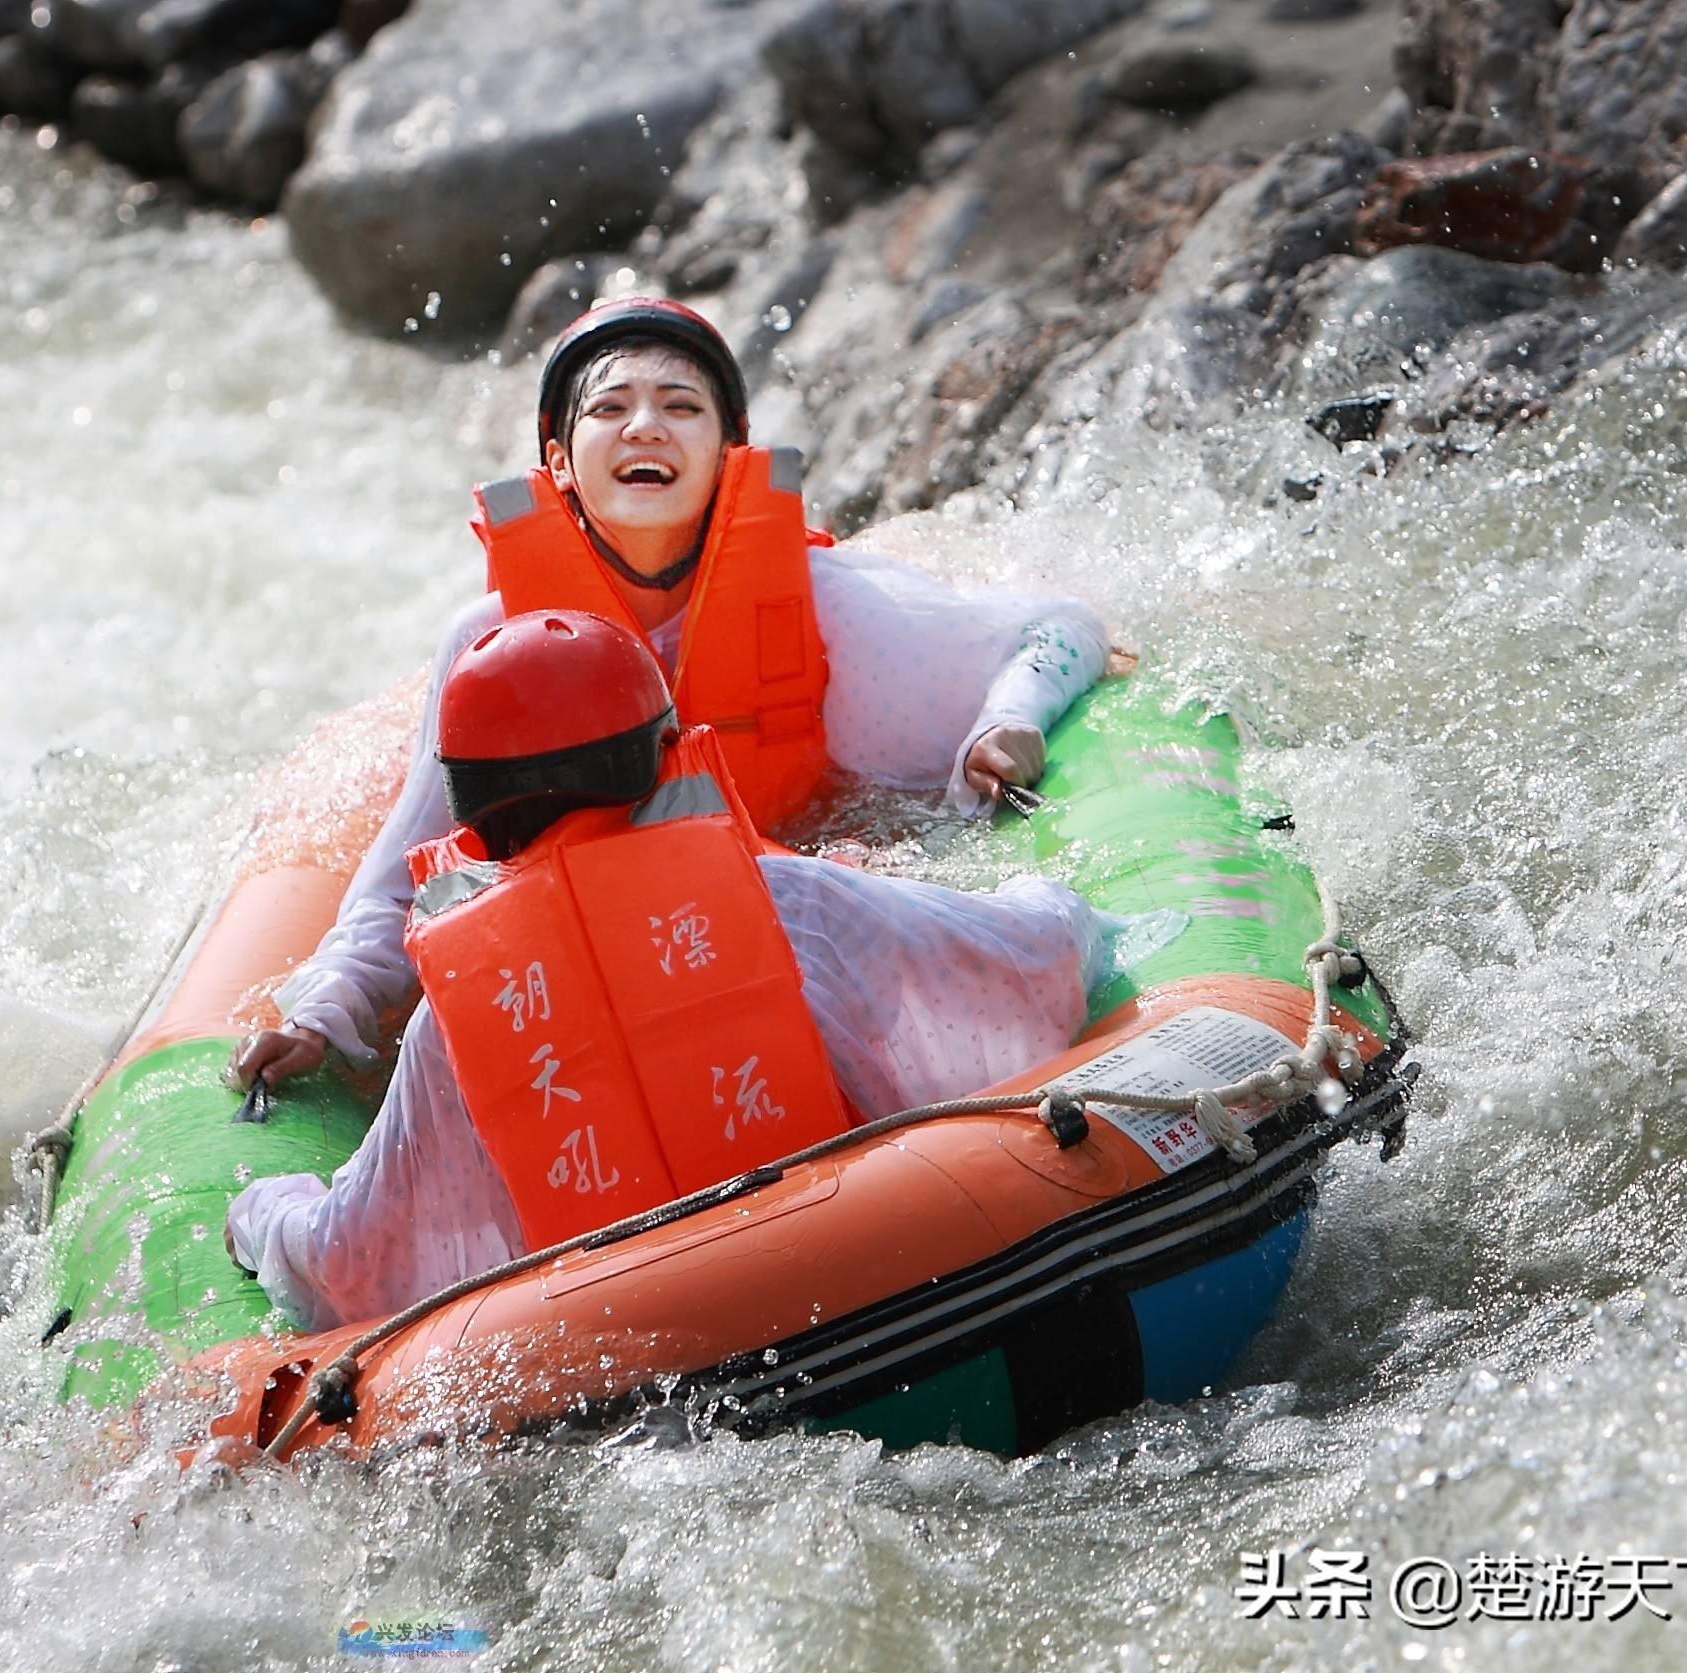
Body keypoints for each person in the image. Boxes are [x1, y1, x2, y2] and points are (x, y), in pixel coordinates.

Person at [235, 298, 1113, 1092]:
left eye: (682, 407)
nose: (645, 427)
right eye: (609, 409)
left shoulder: (820, 604)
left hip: (791, 912)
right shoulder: (492, 648)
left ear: (728, 456)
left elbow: (1059, 628)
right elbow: (404, 881)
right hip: (596, 967)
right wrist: (322, 1013)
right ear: (559, 462)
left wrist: (1009, 719)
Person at [227, 612, 1118, 1332]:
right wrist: (1057, 899)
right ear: (662, 755)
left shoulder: (450, 1020)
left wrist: (262, 1214)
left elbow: (352, 1260)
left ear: (470, 815)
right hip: (890, 1281)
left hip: (628, 1365)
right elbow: (1034, 962)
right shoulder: (787, 897)